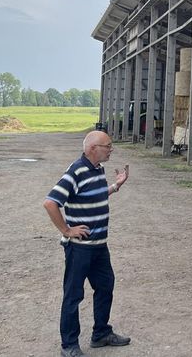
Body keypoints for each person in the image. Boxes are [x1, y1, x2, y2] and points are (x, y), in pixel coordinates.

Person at [43, 130, 131, 357]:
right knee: (73, 295)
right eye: (108, 146)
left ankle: (101, 334)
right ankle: (69, 345)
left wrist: (115, 186)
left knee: (105, 287)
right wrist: (66, 230)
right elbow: (51, 203)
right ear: (93, 148)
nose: (111, 149)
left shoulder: (97, 169)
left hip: (100, 246)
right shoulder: (75, 171)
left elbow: (95, 195)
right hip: (80, 249)